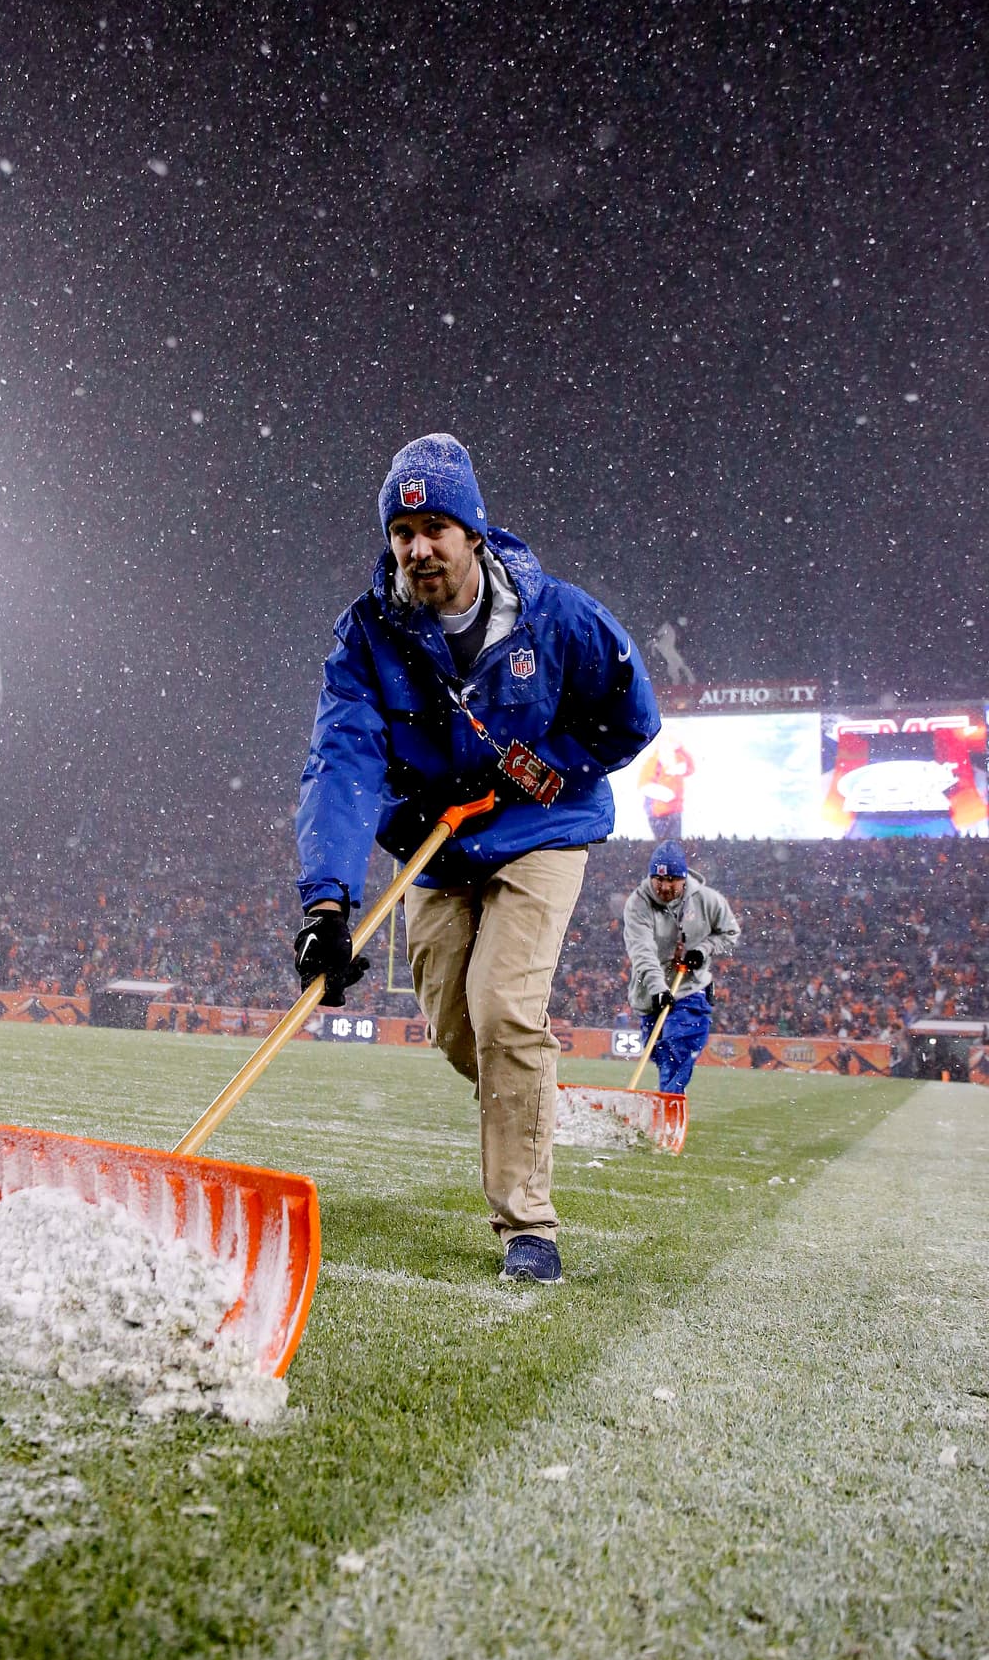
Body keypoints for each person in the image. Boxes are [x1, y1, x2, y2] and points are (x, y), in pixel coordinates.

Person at [293, 432, 660, 1282]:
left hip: (541, 830)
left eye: (436, 526)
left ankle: (528, 1226)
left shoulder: (558, 616)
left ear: (473, 533)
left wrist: (552, 765)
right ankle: (521, 1088)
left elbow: (632, 716)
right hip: (437, 846)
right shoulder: (366, 638)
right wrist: (327, 905)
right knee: (461, 1035)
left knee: (502, 1012)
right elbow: (340, 762)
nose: (418, 546)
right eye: (402, 531)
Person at [622, 841, 740, 1098]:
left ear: (684, 878)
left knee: (679, 1044)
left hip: (691, 985)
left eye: (672, 880)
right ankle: (670, 1093)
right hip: (651, 990)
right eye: (659, 879)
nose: (664, 887)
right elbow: (642, 951)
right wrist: (658, 988)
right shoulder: (637, 904)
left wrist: (704, 949)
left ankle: (670, 1102)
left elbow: (730, 934)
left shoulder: (709, 900)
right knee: (659, 1051)